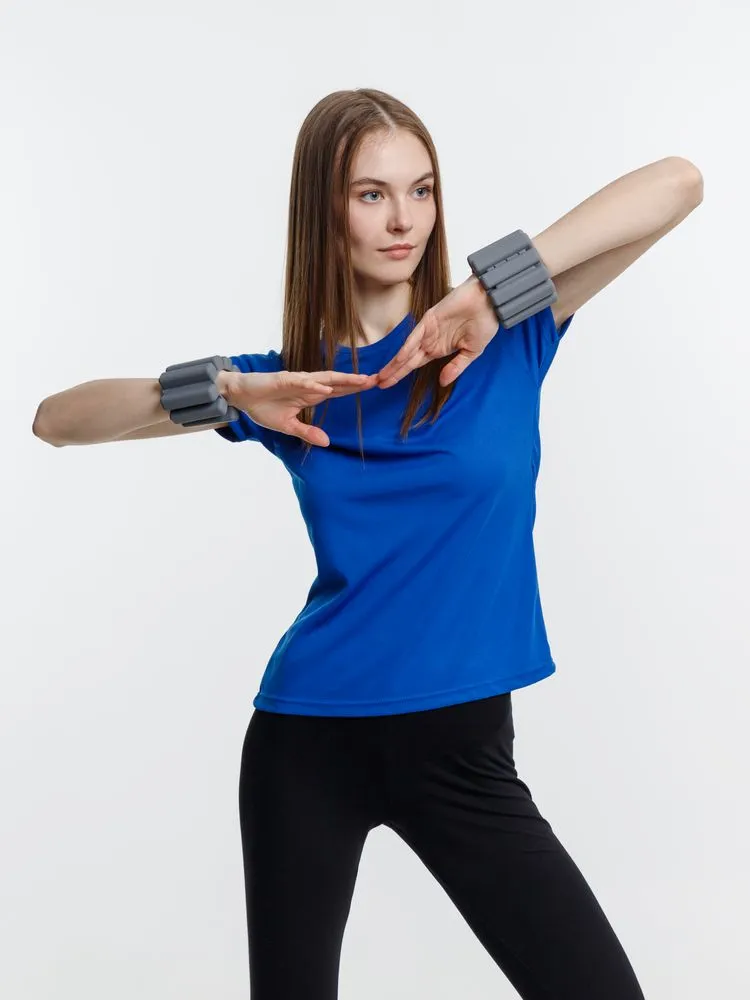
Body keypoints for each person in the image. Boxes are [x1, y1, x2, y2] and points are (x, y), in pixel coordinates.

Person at [34, 87, 702, 999]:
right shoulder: (289, 385)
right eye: (371, 194)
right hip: (306, 745)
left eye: (421, 190)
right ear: (326, 210)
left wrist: (484, 291)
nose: (404, 221)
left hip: (461, 753)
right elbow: (56, 421)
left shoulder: (507, 336)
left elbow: (677, 183)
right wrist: (228, 389)